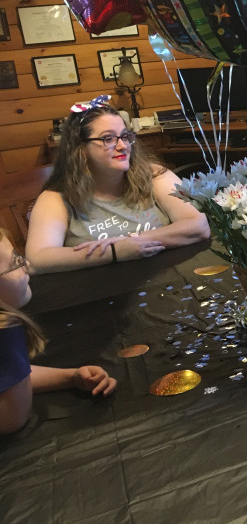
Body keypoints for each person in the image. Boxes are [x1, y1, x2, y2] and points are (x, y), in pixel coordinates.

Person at [26, 96, 210, 273]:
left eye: (125, 136)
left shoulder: (154, 175)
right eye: (108, 139)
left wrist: (129, 242)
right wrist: (113, 253)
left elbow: (198, 226)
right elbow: (38, 259)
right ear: (81, 149)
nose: (123, 146)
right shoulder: (57, 197)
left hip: (169, 281)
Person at [0, 230, 116, 435]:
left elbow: (11, 378)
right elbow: (12, 417)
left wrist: (70, 377)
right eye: (14, 263)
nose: (26, 265)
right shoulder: (5, 330)